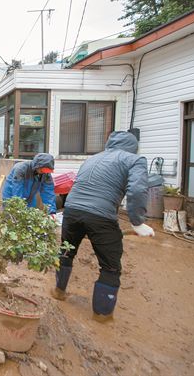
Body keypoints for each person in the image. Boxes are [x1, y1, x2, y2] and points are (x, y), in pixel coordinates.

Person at [52, 131, 154, 322]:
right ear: (134, 146)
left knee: (66, 251)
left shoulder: (93, 158)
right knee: (110, 267)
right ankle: (102, 316)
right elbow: (138, 189)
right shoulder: (135, 159)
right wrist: (137, 221)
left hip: (72, 210)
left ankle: (59, 291)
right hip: (101, 215)